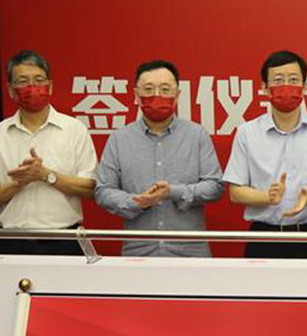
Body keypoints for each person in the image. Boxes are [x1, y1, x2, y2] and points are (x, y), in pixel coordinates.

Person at [223, 50, 307, 258]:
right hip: (264, 237)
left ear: (305, 86)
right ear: (264, 88)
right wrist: (267, 197)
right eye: (278, 80)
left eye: (293, 80)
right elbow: (235, 191)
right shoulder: (247, 132)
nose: (286, 86)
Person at [95, 60, 224, 257]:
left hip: (190, 253)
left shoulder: (196, 135)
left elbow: (215, 186)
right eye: (148, 89)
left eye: (165, 89)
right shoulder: (119, 139)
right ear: (136, 95)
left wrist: (173, 192)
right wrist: (137, 202)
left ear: (177, 95)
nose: (157, 96)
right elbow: (103, 191)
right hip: (139, 253)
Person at [0, 50, 97, 255]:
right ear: (11, 90)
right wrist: (19, 183)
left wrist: (45, 175)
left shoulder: (74, 129)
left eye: (39, 80)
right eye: (23, 81)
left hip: (64, 240)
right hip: (11, 242)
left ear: (50, 86)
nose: (32, 87)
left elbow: (90, 188)